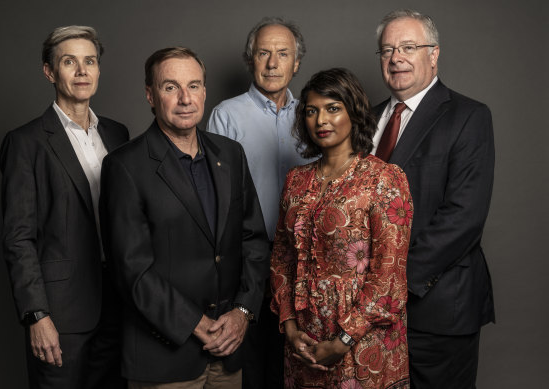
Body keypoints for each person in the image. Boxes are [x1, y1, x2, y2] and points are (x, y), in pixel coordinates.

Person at [99, 47, 270, 389]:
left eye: (193, 86)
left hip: (229, 350)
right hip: (164, 358)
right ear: (150, 94)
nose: (184, 98)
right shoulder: (124, 167)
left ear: (205, 92)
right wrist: (196, 324)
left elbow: (253, 240)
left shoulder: (230, 154)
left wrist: (242, 313)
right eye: (170, 87)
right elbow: (132, 270)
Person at [0, 25, 129, 388]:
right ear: (49, 71)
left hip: (119, 303)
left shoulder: (118, 135)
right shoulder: (25, 143)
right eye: (69, 62)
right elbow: (18, 239)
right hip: (61, 312)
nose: (82, 71)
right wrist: (36, 315)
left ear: (99, 70)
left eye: (89, 61)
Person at [373, 9, 495, 388]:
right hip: (370, 312)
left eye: (409, 46)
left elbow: (463, 218)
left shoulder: (468, 116)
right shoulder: (365, 119)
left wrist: (390, 284)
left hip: (437, 308)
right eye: (388, 49)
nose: (396, 57)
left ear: (434, 53)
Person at [270, 68, 413, 389]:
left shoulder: (383, 179)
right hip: (304, 342)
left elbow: (389, 274)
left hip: (362, 340)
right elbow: (282, 258)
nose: (321, 119)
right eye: (311, 110)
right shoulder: (296, 180)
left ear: (354, 112)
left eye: (332, 108)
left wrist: (345, 339)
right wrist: (291, 328)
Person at [206, 16, 310, 388]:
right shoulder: (226, 115)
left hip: (302, 262)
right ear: (250, 59)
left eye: (283, 54)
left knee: (294, 364)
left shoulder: (312, 116)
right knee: (249, 364)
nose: (272, 63)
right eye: (263, 53)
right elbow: (213, 197)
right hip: (246, 258)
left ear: (296, 63)